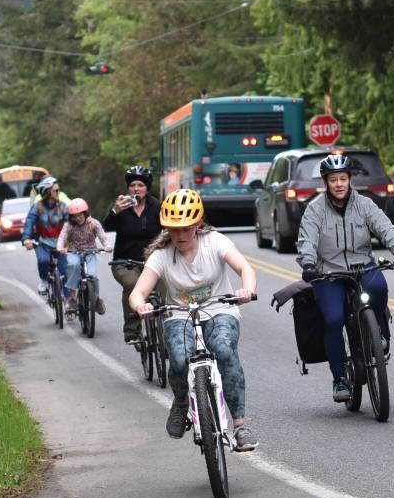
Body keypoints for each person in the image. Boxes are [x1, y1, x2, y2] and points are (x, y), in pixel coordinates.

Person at [129, 189, 259, 452]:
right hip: (179, 314)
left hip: (220, 308)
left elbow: (245, 268)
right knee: (178, 359)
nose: (179, 236)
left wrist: (246, 289)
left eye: (186, 229)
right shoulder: (162, 254)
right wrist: (140, 305)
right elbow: (138, 292)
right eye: (173, 229)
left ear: (197, 223)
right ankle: (180, 404)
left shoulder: (215, 241)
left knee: (223, 349)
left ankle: (240, 424)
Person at [296, 152, 394, 402]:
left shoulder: (364, 204)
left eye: (342, 179)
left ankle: (379, 332)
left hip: (363, 266)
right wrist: (308, 263)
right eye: (333, 180)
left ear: (349, 180)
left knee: (379, 287)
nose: (338, 184)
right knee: (333, 318)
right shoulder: (315, 210)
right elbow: (307, 240)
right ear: (326, 183)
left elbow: (384, 227)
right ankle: (339, 379)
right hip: (329, 272)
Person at [103, 165, 163, 345]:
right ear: (128, 188)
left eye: (140, 185)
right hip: (125, 262)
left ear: (147, 188)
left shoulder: (157, 206)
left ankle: (168, 334)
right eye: (133, 185)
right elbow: (106, 226)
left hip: (154, 261)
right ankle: (132, 331)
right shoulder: (120, 206)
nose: (136, 189)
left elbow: (169, 228)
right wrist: (115, 211)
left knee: (165, 290)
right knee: (133, 284)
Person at [57, 198, 113, 313]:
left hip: (90, 252)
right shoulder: (69, 225)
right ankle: (72, 298)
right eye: (74, 216)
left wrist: (107, 245)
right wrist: (60, 247)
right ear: (71, 217)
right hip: (74, 252)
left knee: (93, 275)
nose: (78, 218)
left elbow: (103, 236)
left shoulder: (94, 223)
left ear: (85, 213)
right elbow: (62, 236)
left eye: (80, 215)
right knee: (73, 266)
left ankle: (96, 299)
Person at [21, 175, 69, 295]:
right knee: (43, 261)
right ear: (47, 191)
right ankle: (44, 280)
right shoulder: (37, 207)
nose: (59, 192)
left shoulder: (62, 206)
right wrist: (26, 238)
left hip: (60, 244)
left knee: (65, 271)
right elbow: (29, 222)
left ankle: (68, 301)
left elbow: (70, 223)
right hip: (42, 243)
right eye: (56, 190)